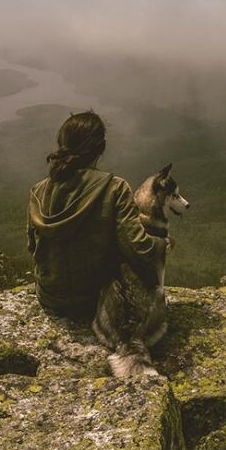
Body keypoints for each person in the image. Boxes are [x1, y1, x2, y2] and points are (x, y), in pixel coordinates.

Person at [26, 111, 167, 319]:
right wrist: (163, 244)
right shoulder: (115, 188)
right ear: (101, 148)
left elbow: (32, 246)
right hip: (97, 301)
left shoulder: (38, 190)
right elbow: (139, 249)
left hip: (49, 297)